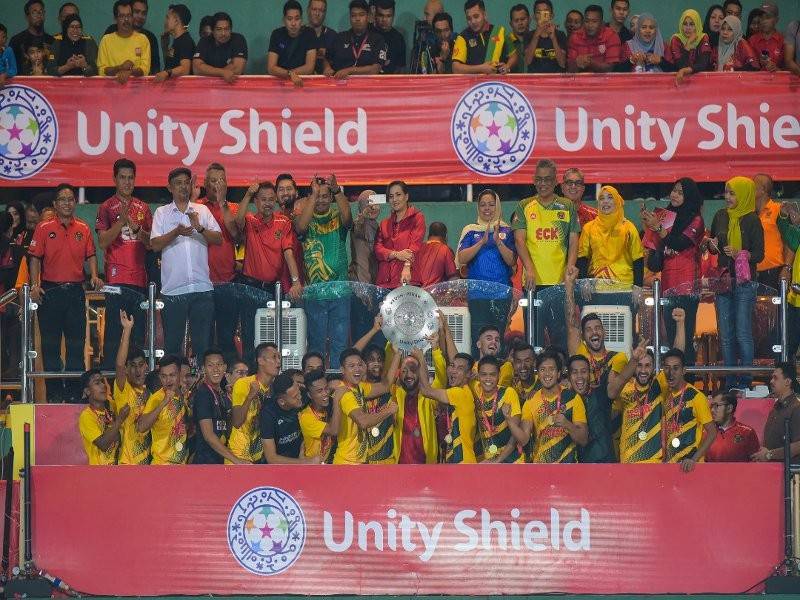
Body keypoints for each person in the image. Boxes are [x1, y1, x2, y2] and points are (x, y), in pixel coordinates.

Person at [29, 183, 102, 404]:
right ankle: (54, 394)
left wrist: (95, 275)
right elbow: (34, 257)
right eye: (62, 199)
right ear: (55, 204)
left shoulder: (83, 228)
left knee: (76, 346)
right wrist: (34, 284)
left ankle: (73, 394)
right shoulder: (43, 228)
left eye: (71, 199)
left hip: (75, 293)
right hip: (50, 291)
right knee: (50, 347)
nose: (67, 203)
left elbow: (91, 255)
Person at [150, 168, 221, 361]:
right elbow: (154, 244)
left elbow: (218, 238)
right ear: (169, 187)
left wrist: (199, 227)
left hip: (202, 288)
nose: (183, 186)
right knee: (172, 348)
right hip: (173, 291)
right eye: (178, 183)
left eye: (186, 182)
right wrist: (176, 232)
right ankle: (174, 390)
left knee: (203, 348)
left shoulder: (201, 210)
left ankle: (201, 389)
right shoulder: (162, 213)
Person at [513, 159, 579, 348]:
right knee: (533, 338)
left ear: (556, 181)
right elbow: (519, 241)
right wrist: (530, 270)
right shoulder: (524, 205)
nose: (543, 184)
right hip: (533, 284)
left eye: (548, 180)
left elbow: (573, 240)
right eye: (540, 179)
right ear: (534, 180)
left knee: (560, 336)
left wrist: (570, 267)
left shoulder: (567, 206)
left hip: (559, 283)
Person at [235, 183, 302, 363]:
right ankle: (251, 376)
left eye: (271, 199)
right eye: (263, 199)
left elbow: (288, 252)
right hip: (250, 287)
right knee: (249, 336)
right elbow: (237, 221)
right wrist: (248, 194)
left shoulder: (283, 222)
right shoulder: (250, 221)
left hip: (273, 289)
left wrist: (296, 281)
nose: (267, 203)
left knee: (271, 337)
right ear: (256, 201)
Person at [641, 178, 705, 365]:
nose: (674, 195)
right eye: (673, 191)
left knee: (684, 335)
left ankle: (689, 380)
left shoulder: (696, 220)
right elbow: (654, 265)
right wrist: (649, 228)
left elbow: (679, 243)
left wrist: (658, 228)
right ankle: (674, 382)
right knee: (670, 337)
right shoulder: (665, 216)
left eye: (680, 192)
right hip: (668, 287)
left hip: (687, 287)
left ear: (690, 196)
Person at [708, 176, 764, 390]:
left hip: (744, 283)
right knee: (726, 335)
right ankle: (730, 382)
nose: (728, 197)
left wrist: (741, 254)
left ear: (744, 195)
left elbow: (759, 254)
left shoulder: (752, 220)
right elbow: (714, 245)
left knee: (742, 333)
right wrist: (713, 246)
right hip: (723, 280)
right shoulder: (720, 216)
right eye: (726, 192)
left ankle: (746, 382)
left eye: (733, 193)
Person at [96, 158, 152, 370]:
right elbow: (102, 242)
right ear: (114, 179)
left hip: (139, 280)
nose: (127, 182)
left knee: (137, 337)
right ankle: (111, 382)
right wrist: (121, 221)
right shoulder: (106, 207)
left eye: (130, 178)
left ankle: (137, 385)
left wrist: (137, 229)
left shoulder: (143, 208)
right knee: (113, 334)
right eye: (122, 178)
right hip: (114, 282)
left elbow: (150, 244)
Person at [296, 175, 351, 369]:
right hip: (315, 294)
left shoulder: (337, 216)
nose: (321, 200)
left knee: (340, 344)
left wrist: (336, 191)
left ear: (331, 198)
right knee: (316, 343)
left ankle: (337, 382)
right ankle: (315, 380)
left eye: (325, 196)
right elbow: (300, 228)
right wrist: (313, 194)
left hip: (340, 292)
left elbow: (348, 218)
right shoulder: (304, 219)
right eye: (318, 196)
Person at [457, 189, 516, 349]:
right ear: (478, 208)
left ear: (497, 206)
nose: (487, 208)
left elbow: (511, 260)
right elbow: (461, 258)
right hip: (477, 295)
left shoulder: (507, 230)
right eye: (483, 205)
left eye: (491, 204)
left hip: (501, 295)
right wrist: (481, 242)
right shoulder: (470, 230)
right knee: (478, 338)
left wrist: (497, 241)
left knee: (499, 338)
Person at [195, 164, 240, 365]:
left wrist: (222, 203)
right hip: (201, 283)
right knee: (202, 338)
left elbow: (236, 234)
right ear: (205, 184)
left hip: (227, 282)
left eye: (221, 180)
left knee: (226, 337)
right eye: (213, 180)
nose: (217, 184)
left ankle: (229, 385)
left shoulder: (234, 208)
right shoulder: (196, 207)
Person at [333, 347, 400, 465]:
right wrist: (388, 411)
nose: (357, 369)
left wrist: (398, 354)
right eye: (351, 366)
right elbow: (363, 421)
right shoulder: (345, 394)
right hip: (346, 464)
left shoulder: (359, 387)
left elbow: (386, 386)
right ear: (342, 370)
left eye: (359, 365)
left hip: (358, 463)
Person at [565, 268, 629, 392]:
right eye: (588, 330)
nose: (594, 332)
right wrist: (569, 285)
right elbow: (572, 325)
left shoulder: (618, 357)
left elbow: (611, 390)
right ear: (583, 336)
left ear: (604, 332)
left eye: (597, 328)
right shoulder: (580, 353)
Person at [577, 186, 644, 297]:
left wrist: (638, 286)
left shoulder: (629, 228)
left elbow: (638, 259)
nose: (605, 202)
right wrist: (584, 282)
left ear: (617, 201)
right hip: (596, 287)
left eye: (610, 197)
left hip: (625, 287)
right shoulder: (588, 228)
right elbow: (582, 258)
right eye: (602, 198)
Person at [521, 351, 588, 463]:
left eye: (551, 369)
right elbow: (524, 439)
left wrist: (567, 424)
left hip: (568, 469)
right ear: (538, 374)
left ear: (558, 373)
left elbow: (583, 439)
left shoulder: (573, 398)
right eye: (542, 369)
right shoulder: (530, 401)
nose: (547, 374)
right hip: (540, 468)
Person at [414, 348, 477, 464]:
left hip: (464, 464)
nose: (453, 371)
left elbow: (426, 391)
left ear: (469, 374)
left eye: (460, 368)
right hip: (457, 463)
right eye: (452, 366)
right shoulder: (461, 393)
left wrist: (420, 359)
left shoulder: (460, 393)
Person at [661, 349, 716, 471]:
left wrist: (693, 459)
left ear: (684, 371)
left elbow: (712, 432)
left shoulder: (696, 397)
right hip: (671, 465)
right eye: (667, 368)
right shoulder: (666, 395)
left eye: (675, 368)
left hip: (690, 467)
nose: (670, 373)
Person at [228, 342, 279, 464]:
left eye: (279, 357)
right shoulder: (244, 383)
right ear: (260, 361)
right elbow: (237, 422)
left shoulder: (275, 389)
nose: (278, 362)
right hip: (239, 457)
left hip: (260, 458)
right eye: (274, 357)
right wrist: (250, 396)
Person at [192, 348, 244, 464]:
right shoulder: (203, 395)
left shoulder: (222, 394)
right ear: (203, 369)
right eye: (210, 365)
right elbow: (209, 436)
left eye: (219, 364)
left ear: (225, 367)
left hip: (219, 462)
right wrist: (237, 461)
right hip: (205, 464)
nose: (216, 369)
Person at [112, 311, 151, 465]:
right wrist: (127, 329)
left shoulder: (150, 393)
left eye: (141, 365)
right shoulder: (124, 390)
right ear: (127, 369)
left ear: (146, 366)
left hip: (149, 462)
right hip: (127, 463)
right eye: (133, 366)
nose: (137, 370)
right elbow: (119, 364)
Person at [472, 356, 526, 463]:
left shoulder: (508, 393)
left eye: (492, 374)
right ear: (478, 375)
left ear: (499, 375)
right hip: (488, 461)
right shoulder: (475, 390)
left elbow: (514, 437)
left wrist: (497, 461)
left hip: (512, 460)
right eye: (484, 374)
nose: (488, 379)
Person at [135, 355, 187, 465]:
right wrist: (164, 402)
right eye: (164, 376)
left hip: (182, 466)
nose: (168, 380)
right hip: (161, 466)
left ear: (180, 374)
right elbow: (141, 427)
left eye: (172, 375)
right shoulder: (157, 399)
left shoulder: (183, 395)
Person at [390, 351, 440, 464]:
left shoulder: (429, 396)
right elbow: (387, 378)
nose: (408, 375)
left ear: (420, 372)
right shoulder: (394, 395)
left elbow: (441, 376)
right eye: (404, 371)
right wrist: (393, 345)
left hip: (427, 469)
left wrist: (432, 352)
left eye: (413, 370)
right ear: (398, 373)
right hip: (399, 469)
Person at [374, 181, 425, 290]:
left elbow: (415, 245)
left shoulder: (417, 218)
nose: (394, 199)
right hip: (384, 283)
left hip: (408, 279)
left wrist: (407, 266)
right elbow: (378, 250)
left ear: (406, 196)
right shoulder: (384, 223)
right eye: (391, 196)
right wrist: (395, 254)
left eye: (398, 195)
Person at [260, 372, 320, 464]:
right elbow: (272, 458)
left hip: (301, 454)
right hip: (279, 465)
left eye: (299, 391)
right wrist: (304, 463)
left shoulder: (304, 396)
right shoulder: (268, 414)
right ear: (282, 401)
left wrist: (302, 450)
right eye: (295, 396)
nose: (300, 397)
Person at [452, 0, 517, 75]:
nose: (473, 21)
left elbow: (514, 56)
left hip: (498, 84)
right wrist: (481, 68)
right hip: (474, 85)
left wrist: (507, 66)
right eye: (469, 18)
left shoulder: (500, 32)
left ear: (485, 14)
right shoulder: (462, 38)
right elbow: (455, 68)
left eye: (476, 16)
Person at [324, 0, 386, 79]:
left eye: (361, 15)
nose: (357, 19)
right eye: (353, 15)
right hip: (341, 86)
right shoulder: (339, 38)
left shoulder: (377, 39)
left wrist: (349, 70)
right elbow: (326, 59)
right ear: (350, 18)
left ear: (368, 17)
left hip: (367, 86)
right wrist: (327, 68)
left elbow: (375, 69)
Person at [349, 190, 380, 342]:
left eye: (375, 203)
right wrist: (362, 217)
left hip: (375, 291)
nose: (372, 207)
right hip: (360, 289)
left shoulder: (379, 227)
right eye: (368, 204)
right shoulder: (358, 224)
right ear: (361, 207)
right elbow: (358, 227)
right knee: (361, 334)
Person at [752, 363, 800, 462]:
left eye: (775, 378)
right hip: (773, 471)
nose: (771, 381)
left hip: (787, 473)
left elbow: (798, 445)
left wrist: (769, 455)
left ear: (787, 382)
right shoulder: (775, 408)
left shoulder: (796, 409)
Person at [79, 369, 126, 465]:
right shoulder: (86, 416)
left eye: (102, 381)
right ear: (87, 391)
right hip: (99, 473)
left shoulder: (112, 405)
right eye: (97, 383)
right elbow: (103, 444)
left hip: (118, 469)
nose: (103, 385)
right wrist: (120, 419)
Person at [97, 0, 152, 83]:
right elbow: (102, 70)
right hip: (111, 91)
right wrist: (120, 67)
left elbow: (145, 69)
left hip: (136, 92)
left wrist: (130, 72)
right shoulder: (106, 40)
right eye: (122, 16)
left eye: (129, 15)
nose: (126, 19)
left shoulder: (143, 39)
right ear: (115, 19)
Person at [101, 0, 161, 72]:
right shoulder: (111, 31)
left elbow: (155, 69)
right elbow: (102, 69)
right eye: (136, 12)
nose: (140, 16)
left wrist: (133, 72)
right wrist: (120, 68)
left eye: (144, 13)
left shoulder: (150, 37)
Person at [268, 0, 317, 87]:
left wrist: (291, 73)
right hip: (281, 84)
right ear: (284, 20)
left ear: (301, 19)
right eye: (289, 19)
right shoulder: (276, 34)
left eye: (297, 19)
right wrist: (290, 74)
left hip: (303, 83)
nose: (293, 23)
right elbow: (271, 68)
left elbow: (309, 67)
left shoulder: (310, 33)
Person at [752, 174, 787, 291]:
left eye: (753, 186)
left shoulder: (779, 210)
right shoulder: (748, 214)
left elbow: (790, 243)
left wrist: (787, 268)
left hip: (773, 273)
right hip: (751, 274)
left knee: (773, 309)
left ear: (763, 189)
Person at [299, 369, 340, 463]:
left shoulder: (328, 406)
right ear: (309, 395)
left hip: (327, 464)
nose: (325, 393)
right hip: (313, 468)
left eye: (326, 388)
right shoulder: (306, 417)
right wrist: (337, 400)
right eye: (319, 391)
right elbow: (333, 431)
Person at [192, 12, 247, 83]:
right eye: (219, 29)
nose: (223, 33)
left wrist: (207, 70)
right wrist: (222, 73)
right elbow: (197, 69)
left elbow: (237, 68)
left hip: (233, 86)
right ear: (213, 31)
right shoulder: (204, 41)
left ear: (231, 29)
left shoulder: (238, 39)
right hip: (208, 88)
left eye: (227, 29)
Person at [705, 391, 760, 462]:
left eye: (716, 406)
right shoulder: (706, 432)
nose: (712, 410)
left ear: (729, 408)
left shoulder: (747, 432)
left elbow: (756, 462)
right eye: (711, 406)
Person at [567, 4, 621, 72]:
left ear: (602, 23)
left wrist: (590, 63)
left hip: (604, 81)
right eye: (587, 21)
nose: (590, 25)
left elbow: (610, 69)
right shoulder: (575, 37)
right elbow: (570, 70)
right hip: (581, 80)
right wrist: (577, 63)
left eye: (594, 21)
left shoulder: (612, 36)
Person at [665, 9, 712, 82]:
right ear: (681, 24)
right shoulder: (676, 39)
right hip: (681, 80)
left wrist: (686, 70)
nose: (688, 28)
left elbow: (703, 64)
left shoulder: (703, 37)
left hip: (700, 81)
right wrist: (688, 45)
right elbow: (680, 65)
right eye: (685, 24)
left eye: (692, 24)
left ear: (697, 25)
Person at [153, 3, 194, 82]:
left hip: (180, 92)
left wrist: (166, 73)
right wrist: (164, 47)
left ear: (176, 21)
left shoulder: (185, 41)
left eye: (167, 18)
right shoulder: (177, 41)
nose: (165, 21)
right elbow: (170, 66)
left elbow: (185, 69)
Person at [10, 0, 54, 70]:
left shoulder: (52, 41)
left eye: (41, 11)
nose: (38, 15)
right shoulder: (16, 41)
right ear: (27, 17)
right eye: (34, 12)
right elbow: (9, 68)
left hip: (47, 80)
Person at [412, 222, 458, 288]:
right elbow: (453, 278)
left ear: (429, 235)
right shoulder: (445, 250)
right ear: (446, 236)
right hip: (434, 295)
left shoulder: (417, 249)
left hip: (414, 294)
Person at [526, 0, 567, 73]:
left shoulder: (560, 35)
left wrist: (553, 38)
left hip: (555, 80)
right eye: (539, 12)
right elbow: (527, 61)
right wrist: (536, 35)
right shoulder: (529, 35)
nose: (542, 15)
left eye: (545, 12)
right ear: (534, 16)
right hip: (535, 81)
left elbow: (562, 63)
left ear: (552, 15)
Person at [372, 0, 406, 74]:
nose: (384, 20)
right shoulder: (368, 34)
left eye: (388, 16)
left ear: (393, 16)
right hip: (369, 81)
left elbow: (401, 68)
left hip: (391, 83)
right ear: (375, 15)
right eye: (381, 15)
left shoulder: (399, 38)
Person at [749, 1, 784, 71]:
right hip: (757, 80)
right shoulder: (752, 40)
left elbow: (789, 69)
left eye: (768, 17)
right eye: (762, 17)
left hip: (777, 81)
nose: (764, 21)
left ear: (776, 20)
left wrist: (777, 69)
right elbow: (748, 68)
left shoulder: (783, 40)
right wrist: (759, 63)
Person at [307, 0, 336, 74]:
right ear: (308, 10)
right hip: (302, 81)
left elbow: (337, 63)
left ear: (325, 13)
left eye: (321, 10)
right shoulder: (299, 34)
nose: (317, 13)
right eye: (314, 9)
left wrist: (329, 68)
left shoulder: (333, 36)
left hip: (326, 82)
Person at [508, 4, 531, 73]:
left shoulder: (536, 38)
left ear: (529, 20)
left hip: (535, 82)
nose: (520, 23)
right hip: (511, 83)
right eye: (516, 20)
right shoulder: (506, 42)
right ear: (511, 24)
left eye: (523, 19)